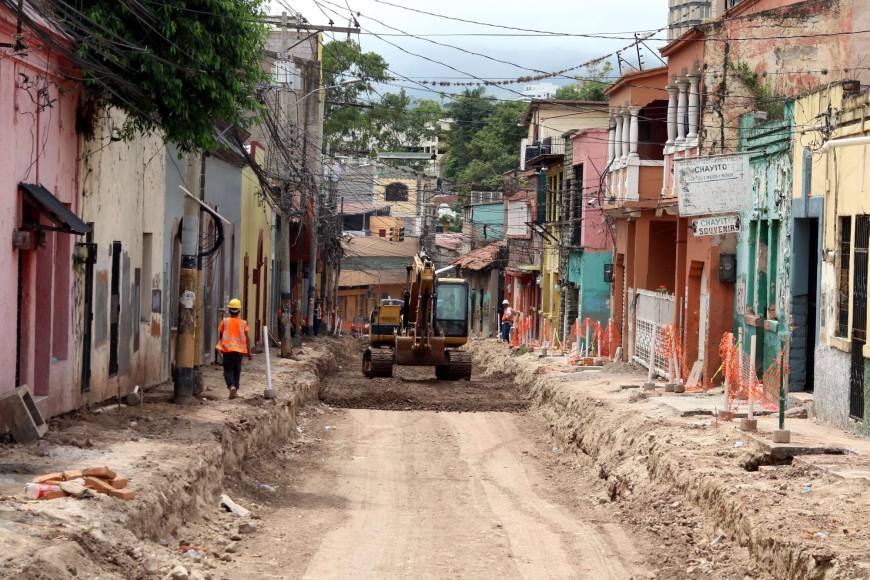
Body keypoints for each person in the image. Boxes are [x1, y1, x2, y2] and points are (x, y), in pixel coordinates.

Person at [216, 298, 251, 399]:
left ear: (229, 310)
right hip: (239, 352)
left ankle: (231, 386)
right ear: (239, 311)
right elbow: (247, 338)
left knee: (228, 370)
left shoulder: (224, 321)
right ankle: (235, 388)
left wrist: (221, 347)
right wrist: (249, 352)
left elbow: (221, 335)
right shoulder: (244, 323)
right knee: (237, 370)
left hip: (227, 350)